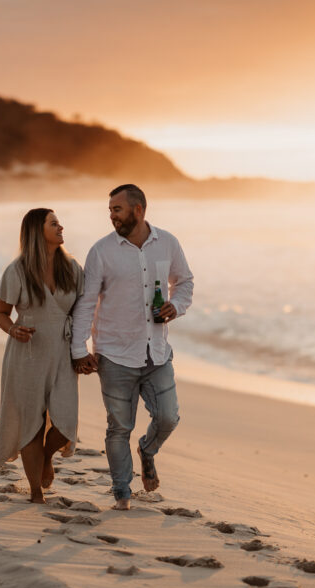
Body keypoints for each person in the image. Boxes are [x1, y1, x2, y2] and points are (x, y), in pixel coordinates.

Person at [71, 184, 194, 510]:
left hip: (156, 352)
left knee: (168, 418)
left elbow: (184, 282)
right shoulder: (101, 251)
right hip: (114, 355)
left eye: (117, 209)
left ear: (138, 210)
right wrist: (79, 347)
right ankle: (122, 492)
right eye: (110, 210)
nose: (111, 215)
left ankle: (148, 450)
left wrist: (175, 307)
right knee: (119, 427)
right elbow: (86, 302)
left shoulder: (167, 243)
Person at [0, 208, 84, 503]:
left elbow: (84, 311)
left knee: (66, 420)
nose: (60, 227)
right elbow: (2, 313)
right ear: (36, 230)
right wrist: (12, 331)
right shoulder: (17, 270)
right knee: (31, 421)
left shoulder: (72, 268)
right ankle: (34, 492)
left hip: (62, 352)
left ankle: (46, 455)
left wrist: (85, 350)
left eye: (59, 223)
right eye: (53, 223)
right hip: (27, 353)